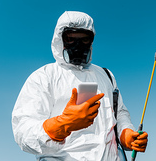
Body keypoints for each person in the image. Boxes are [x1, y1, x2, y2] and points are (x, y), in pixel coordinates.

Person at [12, 11, 148, 161]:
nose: (78, 45)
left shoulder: (106, 75)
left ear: (91, 41)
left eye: (84, 39)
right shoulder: (43, 77)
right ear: (60, 39)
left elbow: (119, 113)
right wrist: (62, 125)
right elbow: (23, 131)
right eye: (71, 39)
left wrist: (126, 134)